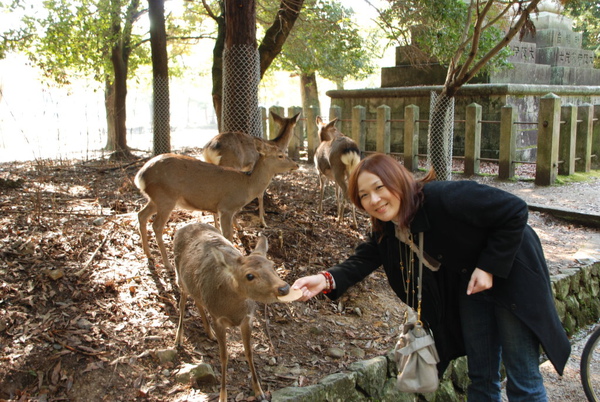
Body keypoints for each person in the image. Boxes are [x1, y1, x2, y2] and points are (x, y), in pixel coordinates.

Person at [292, 153, 570, 401]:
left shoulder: (443, 197)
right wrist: (325, 279)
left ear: (398, 180)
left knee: (523, 381)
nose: (374, 200)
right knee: (481, 377)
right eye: (364, 195)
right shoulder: (389, 225)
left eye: (379, 187)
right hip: (471, 286)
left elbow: (514, 210)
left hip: (511, 276)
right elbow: (365, 257)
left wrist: (488, 267)